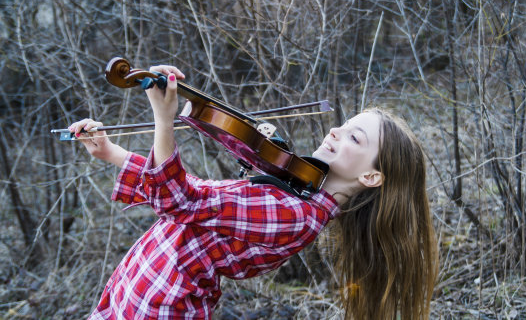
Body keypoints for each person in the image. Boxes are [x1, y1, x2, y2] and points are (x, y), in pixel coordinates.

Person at [69, 65, 438, 319]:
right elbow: (198, 195)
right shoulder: (296, 194)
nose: (335, 132)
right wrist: (112, 152)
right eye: (342, 125)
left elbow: (181, 201)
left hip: (159, 304)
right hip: (143, 287)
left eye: (354, 137)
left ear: (373, 177)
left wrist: (164, 122)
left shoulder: (292, 214)